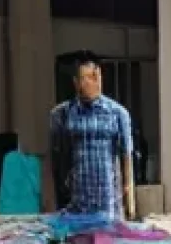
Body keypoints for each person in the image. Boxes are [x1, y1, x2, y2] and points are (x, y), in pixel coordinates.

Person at [50, 53, 134, 219]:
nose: (89, 82)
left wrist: (130, 203)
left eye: (94, 77)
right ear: (75, 82)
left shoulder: (118, 113)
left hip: (108, 205)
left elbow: (126, 156)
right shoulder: (62, 114)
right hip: (77, 205)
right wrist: (54, 200)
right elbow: (56, 158)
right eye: (84, 78)